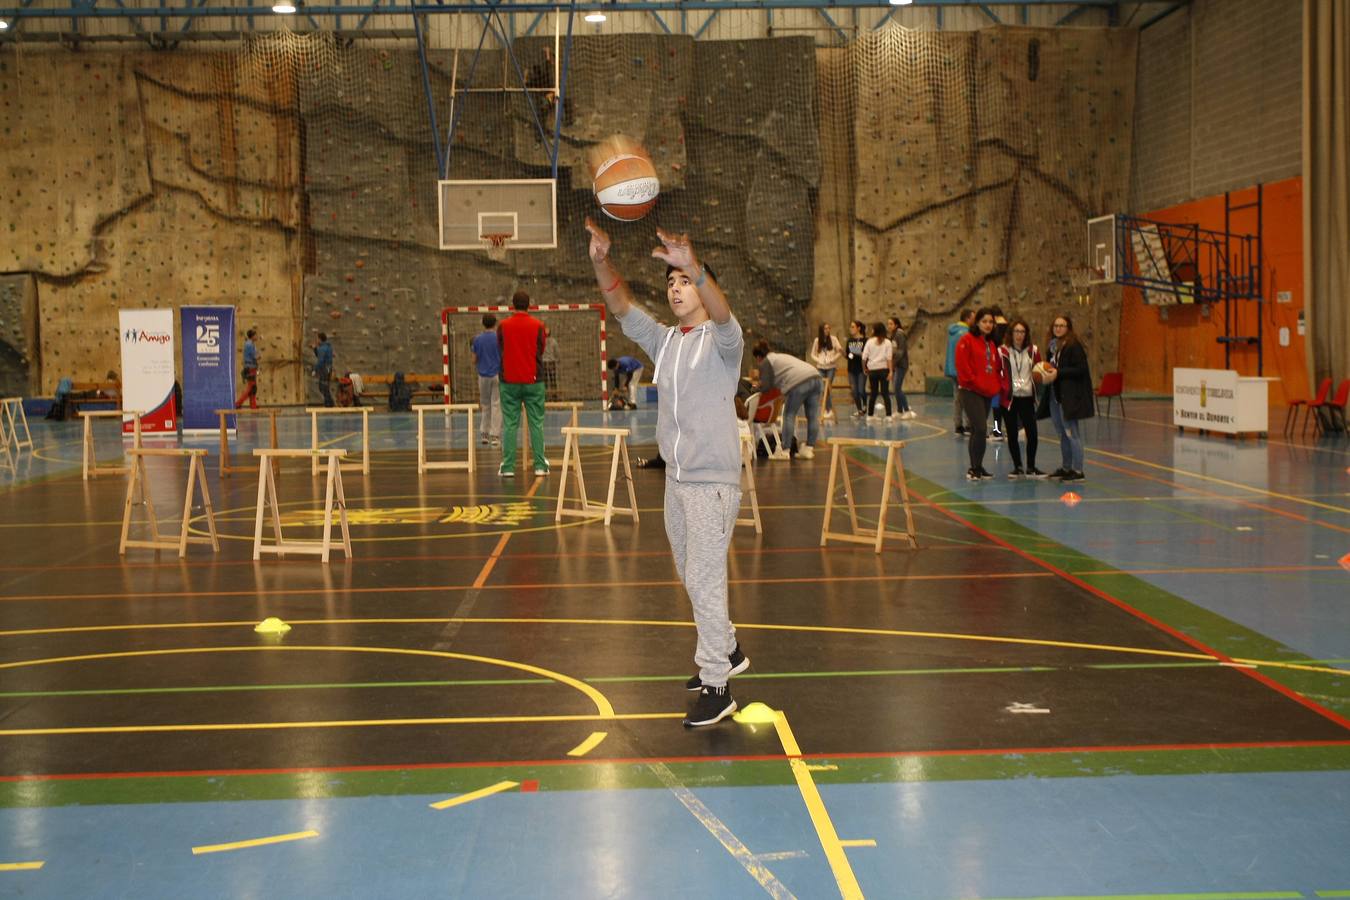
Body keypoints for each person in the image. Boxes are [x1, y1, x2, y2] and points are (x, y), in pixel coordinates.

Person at [586, 215, 747, 729]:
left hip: (712, 484)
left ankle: (718, 686)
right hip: (678, 482)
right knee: (689, 575)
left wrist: (694, 266)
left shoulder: (725, 342)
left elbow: (721, 312)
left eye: (684, 282)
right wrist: (601, 261)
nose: (676, 289)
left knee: (704, 577)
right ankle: (728, 646)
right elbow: (621, 307)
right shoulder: (666, 341)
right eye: (671, 282)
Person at [497, 289, 549, 477]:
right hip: (533, 380)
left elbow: (501, 347)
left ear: (512, 305)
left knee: (510, 424)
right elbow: (541, 349)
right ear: (529, 305)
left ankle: (508, 467)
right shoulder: (539, 325)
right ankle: (540, 466)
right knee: (536, 423)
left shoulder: (503, 326)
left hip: (509, 381)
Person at [1041, 314, 1093, 482]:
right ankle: (1066, 467)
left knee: (1072, 433)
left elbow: (1081, 369)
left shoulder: (1074, 346)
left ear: (1068, 328)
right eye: (1056, 325)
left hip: (1069, 397)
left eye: (1062, 325)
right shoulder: (1052, 347)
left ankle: (1078, 471)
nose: (1058, 328)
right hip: (1055, 397)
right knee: (1062, 433)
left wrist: (1059, 373)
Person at [752, 341, 822, 460]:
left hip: (799, 382)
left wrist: (756, 387)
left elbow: (767, 387)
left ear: (758, 357)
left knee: (789, 414)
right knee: (812, 416)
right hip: (816, 377)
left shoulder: (766, 361)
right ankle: (809, 449)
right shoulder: (779, 357)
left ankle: (785, 451)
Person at [955, 307, 1002, 481]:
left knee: (977, 430)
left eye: (991, 322)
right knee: (981, 428)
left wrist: (995, 386)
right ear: (977, 322)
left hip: (987, 392)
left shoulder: (990, 344)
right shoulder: (966, 340)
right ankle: (973, 468)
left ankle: (978, 467)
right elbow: (962, 366)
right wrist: (975, 381)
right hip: (970, 390)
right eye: (984, 321)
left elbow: (995, 368)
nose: (988, 325)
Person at [999, 318, 1045, 478]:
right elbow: (998, 373)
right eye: (1016, 331)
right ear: (1011, 334)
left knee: (1032, 433)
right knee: (1012, 433)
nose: (1019, 335)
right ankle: (1017, 466)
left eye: (1022, 332)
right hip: (1010, 398)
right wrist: (1002, 389)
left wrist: (1045, 376)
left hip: (1027, 397)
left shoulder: (1033, 351)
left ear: (1026, 334)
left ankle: (1031, 467)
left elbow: (1040, 372)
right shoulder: (1002, 351)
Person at [471, 314, 502, 447]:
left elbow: (474, 359)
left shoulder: (477, 339)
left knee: (485, 405)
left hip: (483, 376)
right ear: (495, 324)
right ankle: (495, 436)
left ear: (483, 324)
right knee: (497, 404)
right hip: (497, 375)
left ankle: (484, 434)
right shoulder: (499, 338)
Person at [945, 309, 976, 435]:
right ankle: (969, 426)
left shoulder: (952, 332)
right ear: (968, 319)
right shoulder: (966, 334)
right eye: (973, 318)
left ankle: (958, 426)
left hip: (952, 369)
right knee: (968, 398)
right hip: (963, 371)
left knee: (957, 398)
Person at [809, 323, 843, 422]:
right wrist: (818, 360)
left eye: (828, 328)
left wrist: (833, 359)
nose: (827, 330)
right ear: (821, 330)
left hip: (831, 367)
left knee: (827, 388)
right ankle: (828, 410)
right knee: (823, 388)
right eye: (825, 328)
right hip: (820, 367)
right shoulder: (817, 340)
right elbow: (813, 354)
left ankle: (828, 410)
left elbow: (840, 351)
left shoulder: (833, 339)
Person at [862, 322, 893, 421]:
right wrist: (891, 371)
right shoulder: (887, 342)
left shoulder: (869, 342)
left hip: (872, 371)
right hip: (884, 370)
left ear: (875, 331)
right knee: (885, 393)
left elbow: (864, 357)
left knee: (873, 393)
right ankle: (889, 416)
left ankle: (870, 416)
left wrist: (864, 368)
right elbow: (889, 358)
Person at [887, 316, 914, 420]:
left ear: (896, 325)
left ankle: (907, 411)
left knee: (897, 388)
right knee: (895, 388)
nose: (889, 326)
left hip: (901, 365)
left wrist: (893, 363)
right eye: (888, 324)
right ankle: (899, 410)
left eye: (891, 324)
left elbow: (900, 351)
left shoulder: (899, 334)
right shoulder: (893, 335)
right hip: (895, 365)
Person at [989, 307, 1009, 441]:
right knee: (1008, 402)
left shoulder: (994, 331)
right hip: (1008, 370)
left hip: (997, 371)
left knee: (996, 404)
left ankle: (997, 430)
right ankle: (1017, 427)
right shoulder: (1010, 328)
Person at [845, 320, 867, 417]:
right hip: (851, 368)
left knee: (861, 390)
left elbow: (866, 355)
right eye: (851, 326)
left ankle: (865, 405)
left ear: (859, 328)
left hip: (862, 368)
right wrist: (848, 354)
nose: (851, 328)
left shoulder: (865, 340)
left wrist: (857, 353)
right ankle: (859, 410)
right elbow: (849, 355)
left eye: (853, 326)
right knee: (854, 391)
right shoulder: (850, 341)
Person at [235, 327, 260, 409]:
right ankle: (238, 403)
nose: (257, 336)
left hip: (251, 367)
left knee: (253, 388)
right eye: (255, 335)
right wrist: (259, 355)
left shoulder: (251, 344)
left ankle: (253, 405)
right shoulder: (249, 345)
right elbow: (255, 356)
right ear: (252, 336)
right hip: (250, 367)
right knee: (251, 387)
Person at [312, 332, 334, 407]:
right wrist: (315, 349)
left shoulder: (322, 348)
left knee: (323, 387)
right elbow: (319, 356)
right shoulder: (328, 347)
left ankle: (329, 403)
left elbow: (320, 360)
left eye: (317, 338)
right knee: (325, 386)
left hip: (325, 369)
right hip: (329, 369)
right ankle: (329, 402)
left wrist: (315, 370)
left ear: (320, 339)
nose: (316, 340)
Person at [540, 324, 560, 393]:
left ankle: (545, 395)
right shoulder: (553, 341)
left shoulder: (541, 341)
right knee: (553, 380)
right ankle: (554, 395)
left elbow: (539, 351)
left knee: (545, 381)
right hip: (551, 362)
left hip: (544, 363)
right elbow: (557, 352)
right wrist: (557, 359)